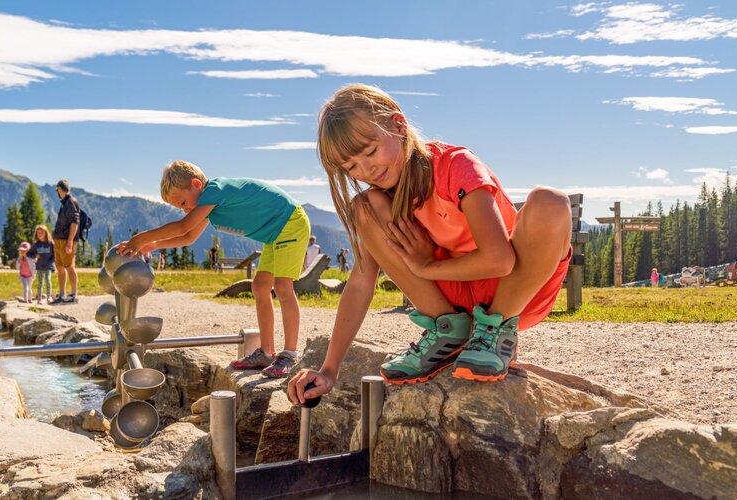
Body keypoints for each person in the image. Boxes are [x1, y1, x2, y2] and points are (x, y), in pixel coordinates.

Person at [288, 84, 572, 405]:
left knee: (550, 202)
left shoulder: (455, 165)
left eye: (370, 152)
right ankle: (449, 331)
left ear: (398, 124)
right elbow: (360, 281)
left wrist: (427, 266)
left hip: (514, 289)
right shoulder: (385, 199)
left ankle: (495, 332)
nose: (366, 170)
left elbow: (501, 259)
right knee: (363, 207)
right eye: (351, 167)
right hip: (454, 296)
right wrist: (329, 369)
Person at [117, 160, 311, 378]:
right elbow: (189, 237)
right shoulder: (207, 203)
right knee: (260, 286)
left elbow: (183, 227)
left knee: (283, 285)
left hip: (290, 223)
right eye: (180, 207)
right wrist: (153, 244)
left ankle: (290, 354)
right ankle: (266, 353)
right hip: (274, 233)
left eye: (183, 202)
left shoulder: (214, 191)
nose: (185, 209)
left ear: (196, 185)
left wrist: (141, 237)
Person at [52, 179, 81, 304]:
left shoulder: (71, 202)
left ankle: (74, 295)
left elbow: (75, 222)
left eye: (57, 190)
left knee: (69, 267)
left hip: (65, 240)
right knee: (60, 267)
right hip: (59, 239)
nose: (57, 193)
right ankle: (62, 295)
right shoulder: (65, 202)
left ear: (60, 189)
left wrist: (70, 241)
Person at [28, 225, 55, 304]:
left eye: (42, 233)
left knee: (48, 280)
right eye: (38, 233)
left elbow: (55, 255)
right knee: (40, 282)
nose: (40, 234)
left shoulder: (50, 243)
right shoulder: (36, 244)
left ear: (46, 233)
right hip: (39, 266)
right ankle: (39, 298)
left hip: (48, 266)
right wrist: (35, 256)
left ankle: (49, 297)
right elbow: (29, 254)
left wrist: (50, 262)